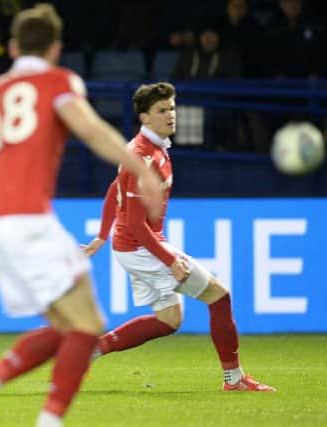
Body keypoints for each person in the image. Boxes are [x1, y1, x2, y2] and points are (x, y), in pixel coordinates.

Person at [0, 4, 163, 427]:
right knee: (89, 324)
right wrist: (140, 170)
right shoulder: (58, 81)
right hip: (30, 224)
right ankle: (45, 419)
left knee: (69, 327)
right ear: (56, 48)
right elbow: (92, 130)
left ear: (11, 47)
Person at [82, 82, 276, 393]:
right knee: (219, 296)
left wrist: (102, 236)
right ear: (145, 118)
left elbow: (112, 190)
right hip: (139, 246)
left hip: (133, 245)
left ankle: (93, 348)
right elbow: (134, 221)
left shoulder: (146, 150)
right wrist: (170, 260)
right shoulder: (143, 156)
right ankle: (234, 380)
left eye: (172, 108)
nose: (170, 115)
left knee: (168, 320)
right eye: (162, 111)